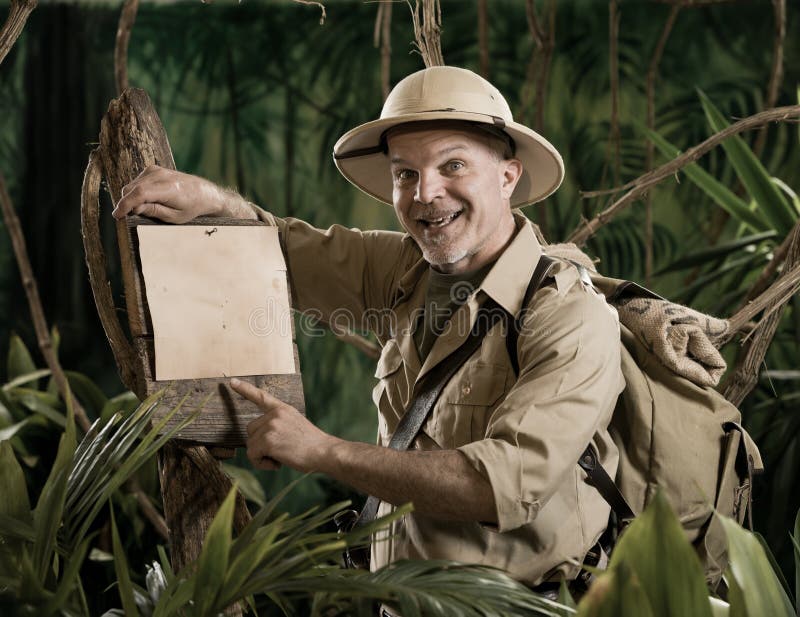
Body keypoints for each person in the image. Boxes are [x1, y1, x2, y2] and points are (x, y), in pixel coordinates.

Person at [114, 66, 625, 594]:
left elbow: (500, 486)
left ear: (508, 177)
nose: (426, 193)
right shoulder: (409, 269)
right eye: (406, 173)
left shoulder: (569, 316)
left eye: (453, 165)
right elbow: (289, 252)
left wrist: (319, 450)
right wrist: (218, 203)